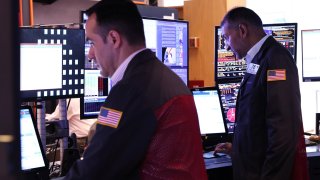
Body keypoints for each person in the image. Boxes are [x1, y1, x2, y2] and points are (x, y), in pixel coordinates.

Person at [62, 1, 207, 179]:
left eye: (92, 43)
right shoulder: (168, 78)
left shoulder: (129, 91)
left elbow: (95, 170)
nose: (90, 54)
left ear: (114, 39)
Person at [214, 7, 309, 180]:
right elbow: (257, 118)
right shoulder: (259, 60)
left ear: (242, 30)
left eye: (227, 37)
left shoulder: (276, 61)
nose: (226, 45)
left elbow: (282, 133)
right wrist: (238, 148)